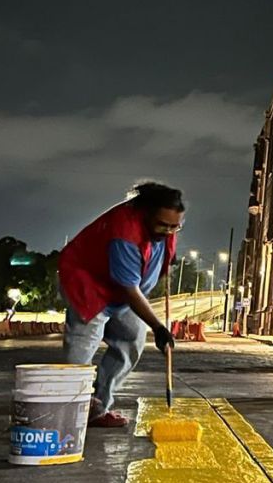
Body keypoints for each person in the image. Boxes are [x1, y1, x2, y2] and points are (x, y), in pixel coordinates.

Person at [58, 181, 183, 429]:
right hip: (90, 285)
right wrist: (158, 327)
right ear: (146, 214)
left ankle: (98, 408)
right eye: (163, 225)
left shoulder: (164, 227)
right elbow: (130, 289)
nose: (168, 231)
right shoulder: (124, 233)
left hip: (122, 294)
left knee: (132, 339)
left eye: (175, 226)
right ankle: (69, 412)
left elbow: (153, 260)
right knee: (82, 351)